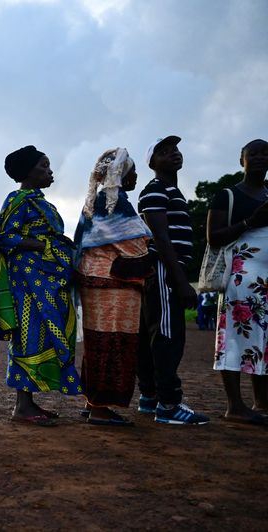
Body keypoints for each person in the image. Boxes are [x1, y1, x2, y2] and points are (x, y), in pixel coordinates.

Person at [0, 145, 82, 427]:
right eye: (44, 166)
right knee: (28, 335)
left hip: (50, 282)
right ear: (29, 171)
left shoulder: (44, 203)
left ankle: (29, 401)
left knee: (45, 334)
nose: (50, 171)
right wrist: (44, 246)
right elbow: (3, 236)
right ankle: (22, 406)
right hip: (28, 283)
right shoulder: (18, 200)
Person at [74, 148, 152, 426]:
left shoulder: (95, 201)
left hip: (98, 282)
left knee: (99, 342)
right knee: (113, 343)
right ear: (120, 174)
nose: (135, 176)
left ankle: (93, 401)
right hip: (113, 283)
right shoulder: (114, 202)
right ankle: (100, 409)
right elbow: (135, 245)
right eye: (132, 172)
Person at [137, 136, 209, 425]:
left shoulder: (171, 192)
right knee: (167, 336)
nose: (173, 154)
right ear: (152, 163)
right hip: (165, 269)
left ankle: (150, 397)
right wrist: (180, 282)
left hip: (164, 269)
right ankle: (168, 405)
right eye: (164, 152)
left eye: (175, 149)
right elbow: (161, 238)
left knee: (152, 335)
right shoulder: (155, 190)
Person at [207, 138, 268, 424]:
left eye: (265, 154)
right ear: (241, 160)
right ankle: (235, 405)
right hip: (242, 278)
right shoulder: (228, 195)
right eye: (252, 153)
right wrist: (250, 222)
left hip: (266, 281)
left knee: (263, 340)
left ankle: (261, 403)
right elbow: (213, 237)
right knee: (233, 337)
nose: (259, 157)